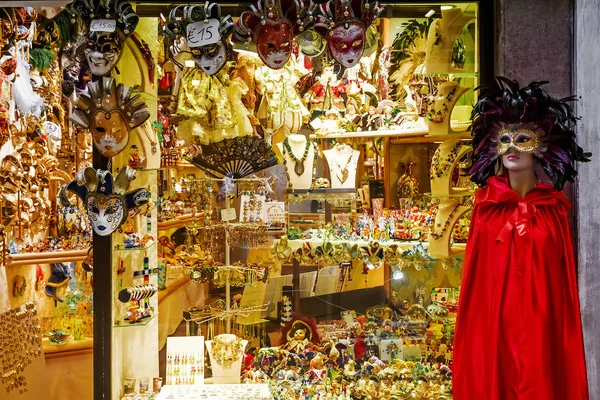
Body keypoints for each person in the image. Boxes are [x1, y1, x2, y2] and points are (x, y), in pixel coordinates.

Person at [452, 77, 591, 400]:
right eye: (505, 138)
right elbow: (475, 285)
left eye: (523, 138)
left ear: (542, 145)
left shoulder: (553, 210)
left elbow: (563, 289)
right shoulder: (485, 209)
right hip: (495, 328)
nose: (512, 147)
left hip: (541, 330)